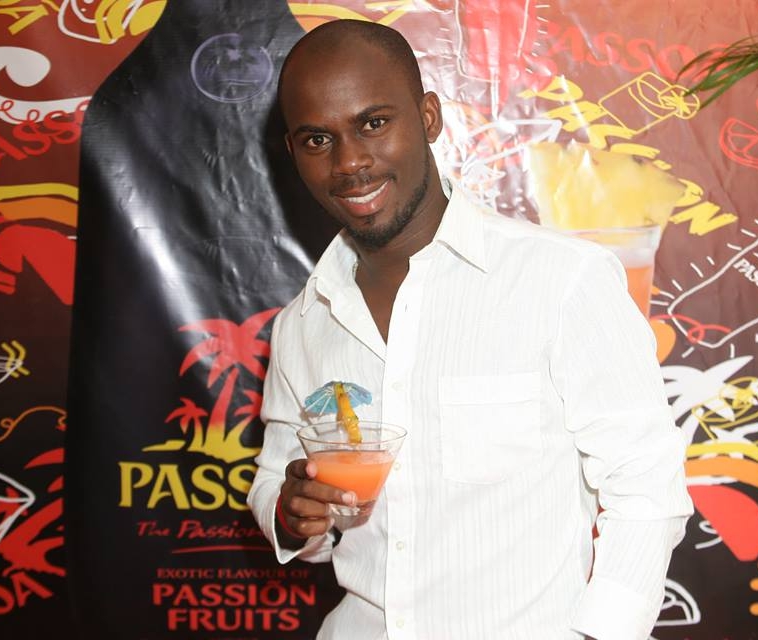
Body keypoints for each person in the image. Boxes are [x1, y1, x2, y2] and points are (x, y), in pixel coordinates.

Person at [247, 18, 693, 640]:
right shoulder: (303, 324)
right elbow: (276, 481)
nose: (349, 162)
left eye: (374, 123)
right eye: (318, 139)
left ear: (428, 117)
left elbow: (646, 482)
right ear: (294, 152)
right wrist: (293, 514)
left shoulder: (562, 280)